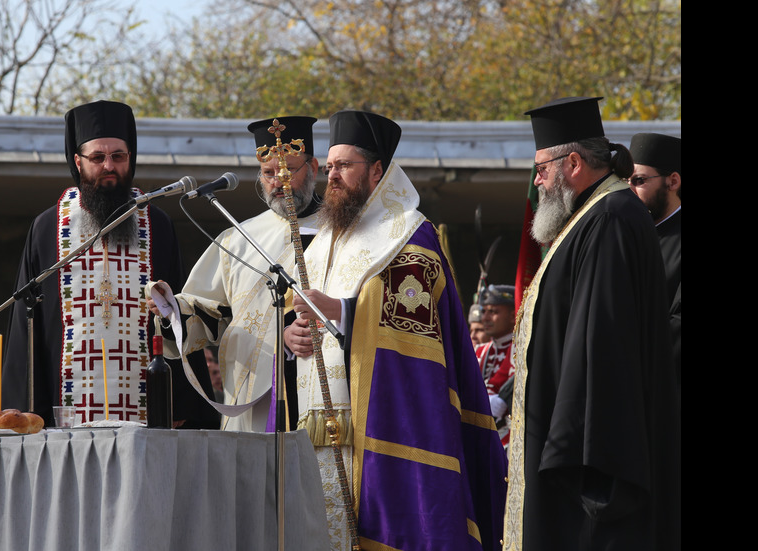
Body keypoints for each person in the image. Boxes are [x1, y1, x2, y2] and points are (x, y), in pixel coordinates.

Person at [286, 110, 508, 551]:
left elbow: (413, 326)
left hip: (378, 430)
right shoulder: (323, 240)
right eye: (329, 167)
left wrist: (345, 312)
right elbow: (306, 319)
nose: (333, 177)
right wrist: (293, 337)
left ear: (377, 171)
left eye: (344, 166)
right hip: (318, 431)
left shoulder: (408, 235)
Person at [504, 97, 680, 550]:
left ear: (574, 162)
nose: (537, 180)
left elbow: (601, 347)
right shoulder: (591, 216)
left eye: (541, 168)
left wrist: (571, 458)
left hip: (588, 463)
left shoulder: (610, 220)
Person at [3, 100, 218, 429]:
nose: (108, 167)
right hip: (65, 413)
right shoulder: (48, 228)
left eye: (118, 157)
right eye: (97, 158)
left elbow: (180, 312)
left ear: (130, 159)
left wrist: (183, 404)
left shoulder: (157, 225)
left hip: (150, 411)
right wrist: (26, 411)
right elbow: (26, 326)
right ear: (78, 161)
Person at [146, 116, 322, 432]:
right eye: (269, 173)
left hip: (319, 392)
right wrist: (171, 309)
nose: (278, 182)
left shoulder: (344, 231)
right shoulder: (239, 238)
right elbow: (212, 311)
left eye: (289, 171)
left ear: (314, 168)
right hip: (253, 400)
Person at [629, 132, 681, 390]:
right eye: (625, 181)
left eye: (638, 180)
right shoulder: (625, 238)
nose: (629, 191)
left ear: (672, 182)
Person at [475, 284, 516, 446]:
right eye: (484, 311)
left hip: (509, 438)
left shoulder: (521, 349)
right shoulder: (479, 351)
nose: (485, 318)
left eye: (493, 312)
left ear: (513, 315)